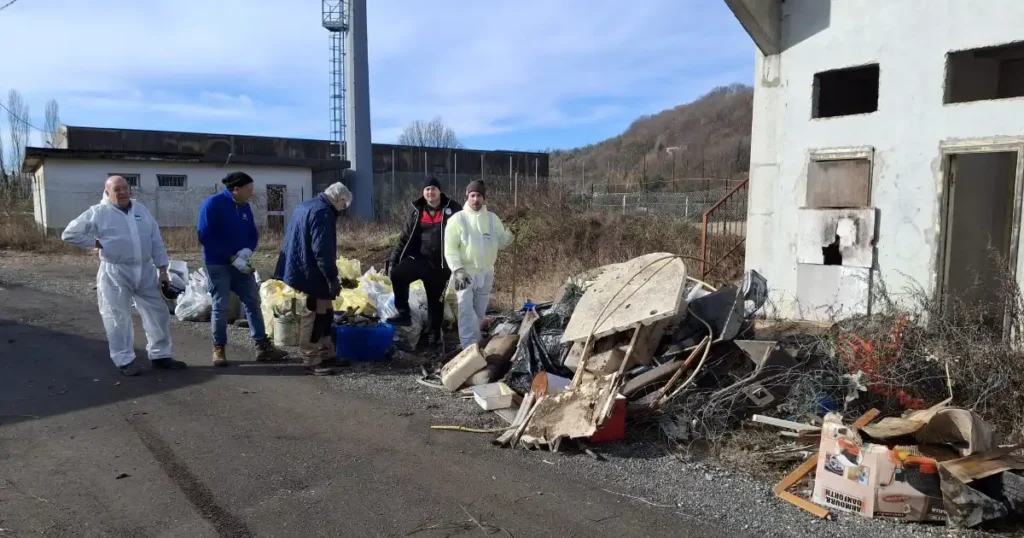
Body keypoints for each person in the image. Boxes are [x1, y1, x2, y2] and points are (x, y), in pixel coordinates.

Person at [61, 175, 187, 376]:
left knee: (158, 313)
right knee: (117, 316)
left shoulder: (141, 211)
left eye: (124, 188)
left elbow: (155, 239)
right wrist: (96, 243)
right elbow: (69, 233)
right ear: (107, 192)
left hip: (145, 270)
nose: (122, 192)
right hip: (115, 271)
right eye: (116, 189)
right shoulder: (99, 212)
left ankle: (160, 356)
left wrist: (163, 270)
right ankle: (124, 360)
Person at [197, 171, 289, 367]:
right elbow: (205, 236)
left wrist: (248, 250)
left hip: (241, 263)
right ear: (235, 189)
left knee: (253, 301)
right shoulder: (212, 204)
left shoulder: (244, 206)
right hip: (217, 263)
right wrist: (230, 257)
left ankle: (262, 346)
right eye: (248, 189)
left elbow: (252, 233)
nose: (251, 193)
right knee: (221, 305)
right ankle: (219, 348)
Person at [273, 182, 352, 376]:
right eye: (344, 205)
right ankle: (311, 358)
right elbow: (322, 249)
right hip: (310, 271)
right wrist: (332, 277)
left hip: (299, 265)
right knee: (314, 314)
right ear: (339, 199)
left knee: (325, 312)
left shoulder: (308, 205)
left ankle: (326, 352)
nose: (342, 210)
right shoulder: (323, 212)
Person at [387, 176, 463, 349]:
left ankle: (434, 338)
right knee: (397, 274)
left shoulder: (453, 208)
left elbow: (465, 232)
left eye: (433, 189)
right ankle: (403, 313)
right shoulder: (417, 210)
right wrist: (393, 259)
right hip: (420, 259)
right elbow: (404, 237)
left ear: (439, 191)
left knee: (436, 303)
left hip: (442, 265)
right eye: (427, 189)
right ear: (423, 192)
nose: (430, 192)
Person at [443, 180, 514, 349]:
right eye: (473, 195)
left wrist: (511, 232)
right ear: (467, 196)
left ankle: (476, 343)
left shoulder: (492, 219)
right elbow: (450, 249)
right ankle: (468, 348)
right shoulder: (457, 219)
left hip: (486, 272)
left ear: (484, 198)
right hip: (463, 272)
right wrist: (457, 269)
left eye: (479, 196)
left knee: (479, 312)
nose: (476, 199)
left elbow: (501, 243)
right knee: (465, 310)